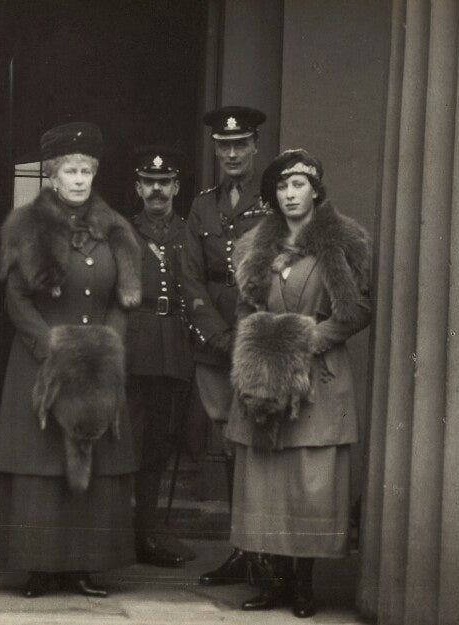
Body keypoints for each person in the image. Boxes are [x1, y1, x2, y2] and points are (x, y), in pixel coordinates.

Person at [0, 121, 141, 598]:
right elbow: (16, 300)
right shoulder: (28, 226)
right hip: (44, 361)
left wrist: (108, 345)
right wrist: (50, 346)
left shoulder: (116, 229)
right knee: (43, 463)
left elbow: (124, 297)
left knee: (93, 462)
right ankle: (39, 567)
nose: (78, 180)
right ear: (52, 176)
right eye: (69, 171)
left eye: (85, 171)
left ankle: (82, 566)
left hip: (98, 364)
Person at [228, 149, 371, 617]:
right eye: (282, 188)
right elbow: (247, 308)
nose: (290, 195)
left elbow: (356, 311)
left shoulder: (342, 241)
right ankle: (276, 584)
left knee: (309, 484)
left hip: (318, 378)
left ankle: (305, 586)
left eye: (298, 185)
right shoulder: (253, 245)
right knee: (268, 483)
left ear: (315, 190)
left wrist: (306, 338)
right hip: (266, 378)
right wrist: (260, 349)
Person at [180, 106, 269, 585]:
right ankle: (240, 549)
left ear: (254, 147)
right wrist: (217, 334)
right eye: (224, 146)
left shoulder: (273, 200)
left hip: (258, 336)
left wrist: (250, 335)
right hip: (214, 339)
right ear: (216, 150)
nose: (232, 153)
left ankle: (266, 550)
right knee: (229, 443)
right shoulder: (202, 205)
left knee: (260, 442)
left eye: (241, 144)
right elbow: (190, 277)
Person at [126, 145, 195, 568]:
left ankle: (148, 532)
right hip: (134, 345)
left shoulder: (189, 233)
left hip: (175, 345)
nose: (156, 189)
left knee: (158, 445)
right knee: (127, 442)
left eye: (163, 182)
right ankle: (120, 533)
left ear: (175, 187)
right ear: (138, 187)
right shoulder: (124, 231)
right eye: (149, 183)